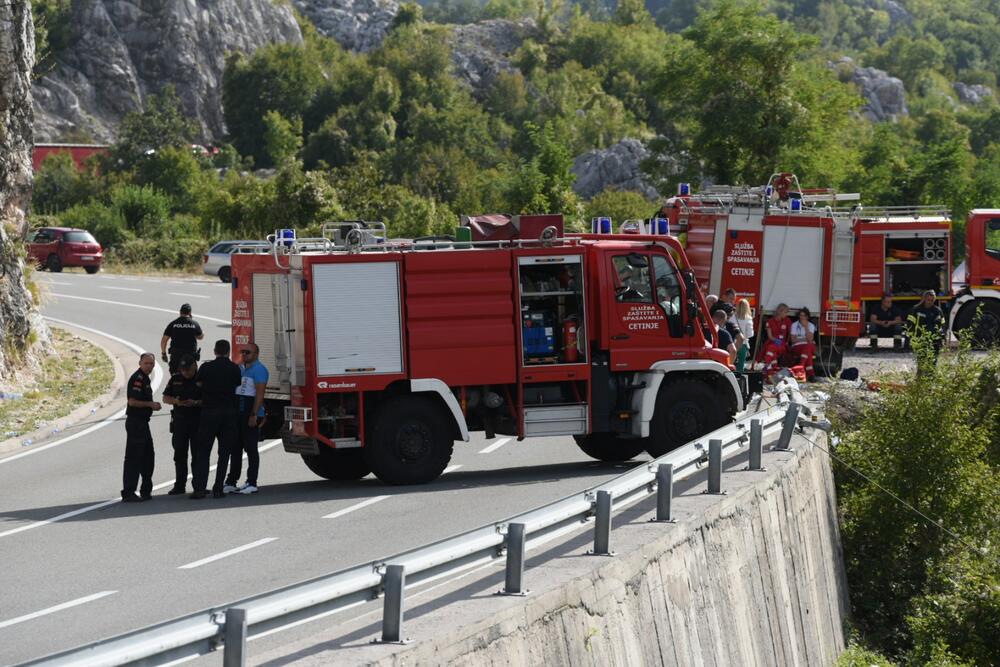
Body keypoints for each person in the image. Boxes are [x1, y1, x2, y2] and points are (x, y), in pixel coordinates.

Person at [190, 339, 242, 499]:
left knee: (203, 451)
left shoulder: (206, 367)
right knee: (224, 453)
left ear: (215, 351)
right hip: (228, 413)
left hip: (209, 412)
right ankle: (218, 487)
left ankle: (199, 488)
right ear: (228, 351)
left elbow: (198, 383)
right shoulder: (234, 368)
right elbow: (237, 385)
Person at [224, 343, 269, 495]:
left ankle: (252, 482)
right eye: (242, 352)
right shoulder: (240, 368)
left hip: (250, 412)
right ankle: (231, 481)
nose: (244, 355)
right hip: (238, 412)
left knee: (251, 448)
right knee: (235, 448)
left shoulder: (260, 370)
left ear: (256, 353)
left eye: (248, 352)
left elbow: (260, 394)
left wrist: (254, 414)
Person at [122, 353, 161, 502]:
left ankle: (146, 490)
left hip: (143, 422)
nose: (149, 366)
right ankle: (129, 492)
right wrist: (150, 404)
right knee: (134, 458)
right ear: (140, 363)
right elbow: (132, 401)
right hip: (136, 422)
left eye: (151, 364)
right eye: (146, 363)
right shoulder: (138, 379)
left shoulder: (145, 379)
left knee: (148, 457)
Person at [162, 354, 201, 495]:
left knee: (197, 455)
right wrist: (176, 402)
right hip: (180, 421)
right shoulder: (176, 378)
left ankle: (198, 485)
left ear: (195, 366)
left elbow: (210, 400)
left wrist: (195, 402)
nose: (185, 373)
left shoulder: (202, 378)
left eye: (188, 370)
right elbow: (165, 398)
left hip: (197, 422)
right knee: (179, 454)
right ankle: (179, 485)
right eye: (183, 370)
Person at [160, 304, 204, 375]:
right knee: (192, 377)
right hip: (190, 355)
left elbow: (164, 340)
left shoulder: (173, 324)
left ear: (180, 312)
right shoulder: (194, 324)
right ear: (190, 313)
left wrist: (163, 353)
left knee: (175, 376)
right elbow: (200, 337)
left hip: (176, 355)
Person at [907, 290, 945, 358]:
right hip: (920, 339)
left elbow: (942, 325)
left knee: (933, 361)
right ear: (924, 299)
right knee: (921, 361)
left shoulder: (937, 311)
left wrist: (943, 339)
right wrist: (911, 339)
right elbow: (910, 325)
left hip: (934, 341)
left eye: (932, 300)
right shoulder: (916, 310)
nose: (930, 302)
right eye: (928, 300)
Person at [761, 303, 791, 377]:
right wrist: (775, 340)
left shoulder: (787, 321)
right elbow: (770, 336)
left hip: (782, 345)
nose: (786, 314)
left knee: (770, 349)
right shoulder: (770, 321)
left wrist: (787, 341)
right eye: (785, 312)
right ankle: (771, 370)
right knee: (771, 350)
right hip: (773, 342)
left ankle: (767, 367)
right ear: (780, 311)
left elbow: (790, 333)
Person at [790, 308, 818, 382]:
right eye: (800, 315)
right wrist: (804, 339)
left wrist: (806, 327)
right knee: (808, 349)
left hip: (808, 346)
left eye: (804, 316)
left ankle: (800, 367)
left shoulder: (810, 325)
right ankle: (811, 375)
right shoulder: (794, 325)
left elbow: (810, 339)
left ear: (807, 317)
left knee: (809, 345)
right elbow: (793, 340)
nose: (802, 317)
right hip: (797, 347)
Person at [735, 299, 754, 373]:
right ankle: (739, 379)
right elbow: (750, 334)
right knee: (741, 364)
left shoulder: (732, 317)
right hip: (743, 344)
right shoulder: (748, 318)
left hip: (732, 343)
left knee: (731, 362)